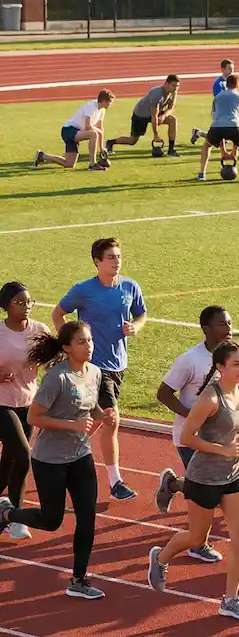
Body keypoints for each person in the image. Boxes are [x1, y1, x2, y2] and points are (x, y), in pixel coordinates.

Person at [147, 340, 239, 621]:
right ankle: (161, 557)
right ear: (221, 368)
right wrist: (220, 449)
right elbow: (187, 437)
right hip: (204, 477)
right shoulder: (210, 399)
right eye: (236, 364)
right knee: (197, 537)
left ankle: (231, 600)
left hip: (235, 474)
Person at [0, 321, 111, 599]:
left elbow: (92, 408)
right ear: (66, 348)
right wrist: (73, 425)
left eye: (89, 340)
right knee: (52, 521)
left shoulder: (94, 373)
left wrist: (99, 419)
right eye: (82, 342)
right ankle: (6, 513)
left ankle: (78, 580)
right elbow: (33, 417)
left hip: (80, 457)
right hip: (50, 460)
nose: (89, 346)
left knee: (87, 517)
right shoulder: (57, 377)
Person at [51, 237, 145, 502]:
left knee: (99, 418)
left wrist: (136, 326)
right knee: (112, 417)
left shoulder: (130, 286)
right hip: (94, 365)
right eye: (111, 257)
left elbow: (141, 314)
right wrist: (71, 346)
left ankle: (60, 453)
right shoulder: (84, 290)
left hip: (119, 364)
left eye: (118, 256)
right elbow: (58, 314)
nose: (116, 261)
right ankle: (116, 482)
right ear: (97, 262)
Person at [151, 305, 232, 564]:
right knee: (206, 493)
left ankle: (173, 484)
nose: (228, 328)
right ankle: (198, 544)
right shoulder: (190, 359)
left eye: (229, 323)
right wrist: (191, 416)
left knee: (213, 489)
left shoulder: (232, 357)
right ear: (206, 329)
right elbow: (163, 393)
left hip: (220, 436)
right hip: (191, 436)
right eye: (222, 324)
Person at [0, 282, 49, 541]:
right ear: (7, 306)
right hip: (1, 404)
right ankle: (15, 519)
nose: (27, 307)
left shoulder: (40, 330)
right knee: (23, 455)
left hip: (27, 402)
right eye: (20, 302)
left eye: (30, 302)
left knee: (9, 460)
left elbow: (54, 360)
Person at [197, 74, 239, 182]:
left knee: (207, 145)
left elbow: (213, 115)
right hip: (234, 126)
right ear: (238, 84)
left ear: (226, 85)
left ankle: (202, 174)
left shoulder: (217, 97)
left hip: (217, 126)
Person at [34, 90, 113, 172]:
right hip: (69, 130)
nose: (111, 104)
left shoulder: (102, 110)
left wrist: (101, 148)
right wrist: (99, 132)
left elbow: (100, 127)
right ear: (103, 101)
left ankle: (42, 156)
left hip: (76, 132)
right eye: (109, 102)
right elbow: (88, 126)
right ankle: (92, 164)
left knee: (69, 164)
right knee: (93, 134)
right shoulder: (91, 107)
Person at [106, 75, 180, 156]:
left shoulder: (173, 92)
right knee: (132, 141)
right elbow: (154, 116)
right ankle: (110, 142)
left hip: (155, 112)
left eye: (177, 86)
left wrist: (163, 116)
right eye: (173, 85)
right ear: (166, 84)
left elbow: (171, 108)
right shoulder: (157, 93)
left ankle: (171, 150)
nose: (175, 88)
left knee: (172, 120)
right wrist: (156, 135)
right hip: (141, 114)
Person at [191, 59, 234, 145]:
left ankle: (198, 133)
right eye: (229, 69)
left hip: (229, 111)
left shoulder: (231, 82)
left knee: (222, 137)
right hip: (220, 112)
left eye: (232, 69)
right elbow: (218, 98)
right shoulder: (219, 83)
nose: (232, 71)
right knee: (221, 138)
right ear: (222, 69)